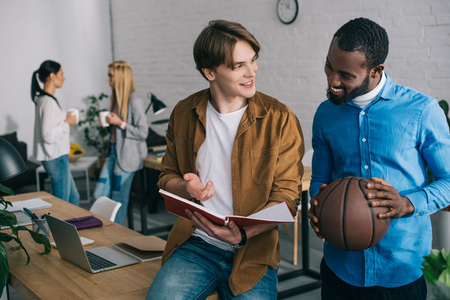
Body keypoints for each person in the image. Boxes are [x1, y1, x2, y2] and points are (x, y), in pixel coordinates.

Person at [146, 20, 304, 299]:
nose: (251, 71)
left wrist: (243, 234)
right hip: (196, 244)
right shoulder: (184, 112)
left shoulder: (280, 118)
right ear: (209, 72)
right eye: (238, 65)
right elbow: (166, 175)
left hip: (253, 252)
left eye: (253, 61)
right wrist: (186, 189)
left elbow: (288, 195)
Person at [308, 17, 450, 299]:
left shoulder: (422, 111)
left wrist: (407, 203)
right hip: (340, 267)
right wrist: (318, 206)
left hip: (401, 270)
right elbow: (321, 178)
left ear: (375, 70)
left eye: (346, 75)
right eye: (329, 66)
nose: (333, 80)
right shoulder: (325, 114)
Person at [93, 61, 148, 225]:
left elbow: (143, 132)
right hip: (113, 154)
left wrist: (120, 123)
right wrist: (110, 123)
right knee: (99, 195)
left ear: (120, 78)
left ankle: (114, 235)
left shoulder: (134, 101)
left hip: (127, 158)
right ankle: (103, 231)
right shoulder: (116, 98)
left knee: (118, 198)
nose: (108, 79)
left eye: (111, 76)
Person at [32, 60, 80, 205]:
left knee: (73, 199)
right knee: (63, 205)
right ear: (52, 76)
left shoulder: (43, 99)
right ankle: (62, 228)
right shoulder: (48, 103)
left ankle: (72, 227)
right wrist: (67, 122)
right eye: (61, 74)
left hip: (55, 157)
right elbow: (48, 135)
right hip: (56, 158)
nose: (64, 78)